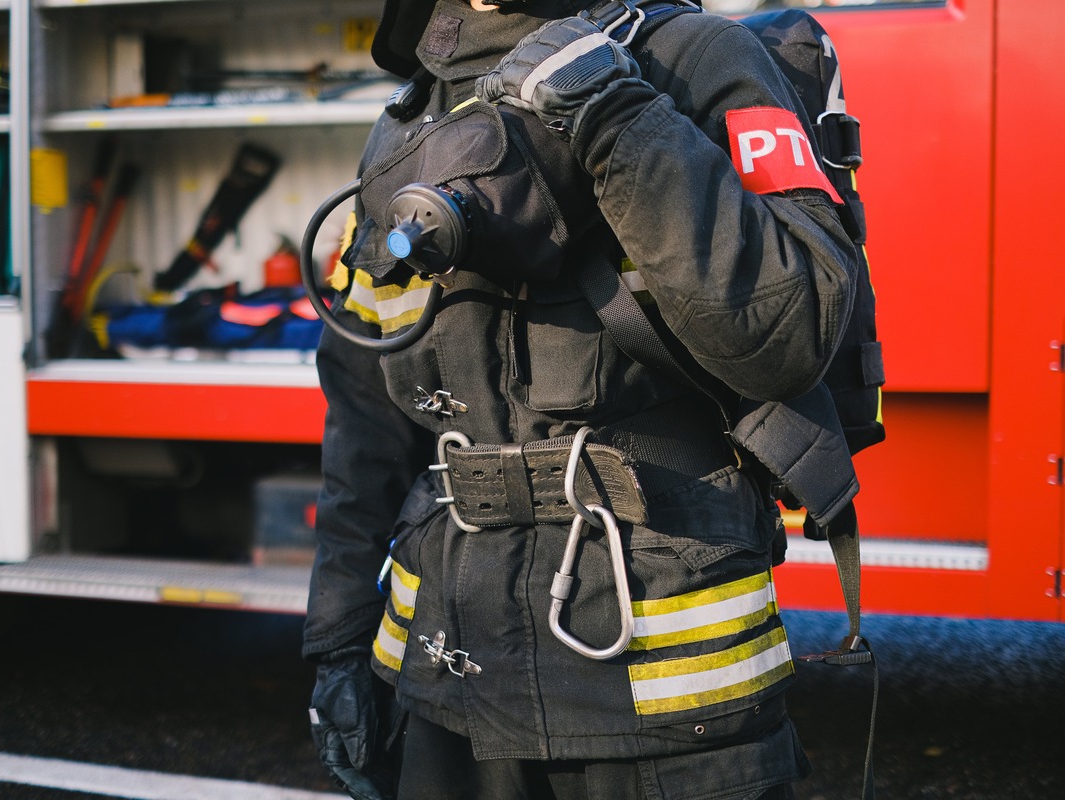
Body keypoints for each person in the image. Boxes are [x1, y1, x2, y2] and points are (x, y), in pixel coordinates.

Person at [303, 1, 859, 798]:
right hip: (445, 689)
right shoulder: (408, 119)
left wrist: (610, 109)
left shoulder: (695, 58)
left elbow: (791, 335)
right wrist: (339, 638)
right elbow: (365, 424)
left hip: (665, 696)